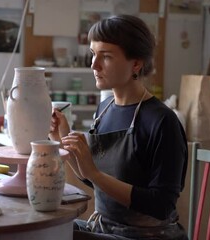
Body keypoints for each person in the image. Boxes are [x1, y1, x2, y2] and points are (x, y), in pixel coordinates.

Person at [49, 14, 188, 240]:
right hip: (106, 228)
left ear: (136, 63)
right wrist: (60, 138)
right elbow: (93, 180)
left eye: (106, 57)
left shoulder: (163, 122)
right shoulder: (105, 109)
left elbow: (161, 205)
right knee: (44, 228)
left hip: (146, 235)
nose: (93, 65)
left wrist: (93, 172)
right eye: (93, 54)